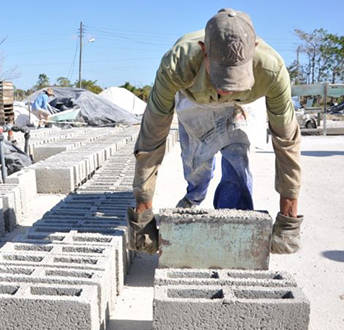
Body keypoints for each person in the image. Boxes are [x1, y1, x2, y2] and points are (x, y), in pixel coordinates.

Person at [127, 8, 303, 255]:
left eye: (235, 77)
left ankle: (237, 225)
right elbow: (152, 136)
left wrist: (289, 213)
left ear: (255, 48)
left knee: (237, 154)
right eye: (222, 75)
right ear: (203, 49)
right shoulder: (176, 64)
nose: (226, 91)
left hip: (240, 107)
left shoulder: (271, 70)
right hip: (194, 103)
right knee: (197, 165)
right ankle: (193, 200)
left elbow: (286, 141)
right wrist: (143, 210)